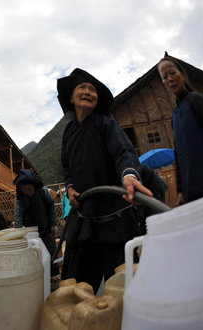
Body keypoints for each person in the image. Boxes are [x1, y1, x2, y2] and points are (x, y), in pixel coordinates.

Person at [57, 68, 152, 292]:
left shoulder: (106, 124)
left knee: (122, 290)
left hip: (114, 218)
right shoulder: (68, 133)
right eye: (82, 87)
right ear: (71, 97)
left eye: (93, 89)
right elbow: (66, 167)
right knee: (78, 288)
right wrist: (70, 188)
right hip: (84, 220)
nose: (88, 91)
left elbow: (124, 153)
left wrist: (129, 176)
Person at [157, 57, 203, 205]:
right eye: (165, 77)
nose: (170, 79)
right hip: (191, 192)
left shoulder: (196, 100)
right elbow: (178, 155)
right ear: (164, 83)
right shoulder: (175, 116)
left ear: (182, 75)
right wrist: (180, 191)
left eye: (173, 73)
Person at [13, 169, 59, 276]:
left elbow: (51, 206)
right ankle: (37, 276)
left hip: (46, 227)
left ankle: (54, 277)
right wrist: (18, 233)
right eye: (24, 190)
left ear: (34, 185)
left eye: (29, 189)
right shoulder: (21, 198)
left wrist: (53, 224)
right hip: (31, 231)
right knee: (35, 252)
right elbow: (18, 215)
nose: (27, 192)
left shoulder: (42, 191)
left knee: (50, 251)